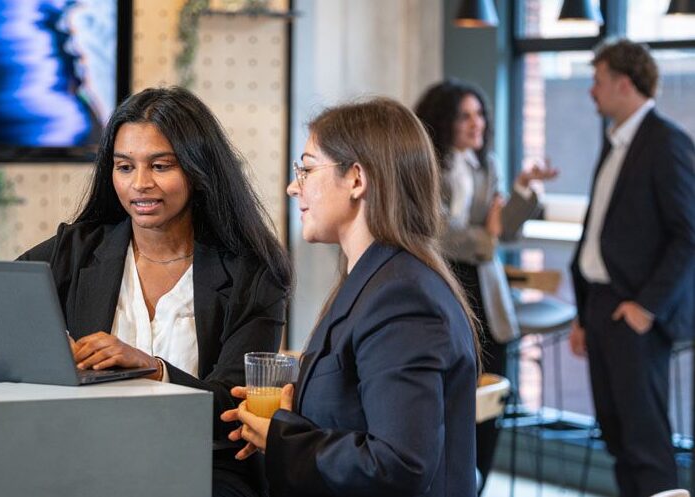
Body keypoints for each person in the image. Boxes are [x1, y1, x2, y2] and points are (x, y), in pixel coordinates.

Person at [17, 86, 293, 497]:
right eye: (124, 167)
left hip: (203, 467)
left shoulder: (253, 272)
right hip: (84, 454)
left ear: (198, 171)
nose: (140, 184)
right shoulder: (75, 250)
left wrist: (152, 369)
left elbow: (235, 412)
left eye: (161, 166)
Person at [221, 98, 480, 497]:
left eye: (306, 169)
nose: (294, 187)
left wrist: (284, 438)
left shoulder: (402, 297)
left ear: (356, 179)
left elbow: (399, 464)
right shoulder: (378, 279)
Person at [414, 78, 558, 492]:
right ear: (444, 121)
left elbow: (506, 232)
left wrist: (522, 189)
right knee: (448, 399)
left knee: (490, 397)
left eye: (480, 114)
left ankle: (478, 485)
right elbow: (433, 231)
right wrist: (485, 236)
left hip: (486, 293)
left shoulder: (488, 164)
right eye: (465, 116)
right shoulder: (426, 165)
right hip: (442, 285)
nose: (476, 123)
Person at [568, 39, 695, 497]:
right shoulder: (616, 140)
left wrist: (646, 306)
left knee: (647, 446)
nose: (591, 91)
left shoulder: (666, 142)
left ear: (624, 84)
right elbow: (599, 230)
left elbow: (689, 235)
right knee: (618, 439)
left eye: (598, 81)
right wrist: (584, 316)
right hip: (601, 308)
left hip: (635, 314)